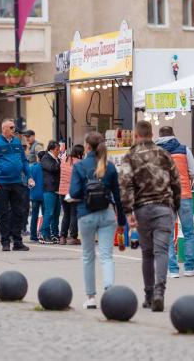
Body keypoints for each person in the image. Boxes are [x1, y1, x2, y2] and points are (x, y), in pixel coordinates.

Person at [119, 121, 181, 312]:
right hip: (164, 208)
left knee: (147, 253)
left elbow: (125, 184)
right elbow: (176, 181)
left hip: (142, 209)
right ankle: (159, 293)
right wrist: (175, 207)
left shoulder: (130, 156)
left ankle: (148, 294)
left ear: (136, 135)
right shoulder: (164, 154)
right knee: (162, 251)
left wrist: (128, 212)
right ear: (152, 134)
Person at [69, 132, 124, 309]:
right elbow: (118, 196)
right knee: (107, 255)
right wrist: (122, 221)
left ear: (87, 146)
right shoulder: (109, 167)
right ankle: (110, 292)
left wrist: (76, 195)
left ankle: (91, 298)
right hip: (107, 214)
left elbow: (75, 192)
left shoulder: (80, 166)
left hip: (86, 214)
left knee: (88, 257)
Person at [156, 126, 194, 278]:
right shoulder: (184, 149)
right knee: (189, 233)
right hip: (184, 195)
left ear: (159, 136)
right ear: (173, 135)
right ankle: (189, 268)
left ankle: (173, 270)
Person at [0, 118, 34, 252]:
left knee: (19, 212)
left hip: (17, 182)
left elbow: (23, 160)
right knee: (3, 213)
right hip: (2, 183)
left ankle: (17, 242)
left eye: (14, 127)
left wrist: (29, 177)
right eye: (11, 127)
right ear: (4, 129)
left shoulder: (17, 142)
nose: (14, 129)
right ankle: (5, 242)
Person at [59, 145, 84, 245]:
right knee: (74, 214)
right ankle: (72, 237)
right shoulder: (79, 163)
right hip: (72, 192)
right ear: (79, 153)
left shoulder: (64, 160)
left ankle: (62, 237)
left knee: (66, 214)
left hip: (62, 192)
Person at [39, 141, 61, 244]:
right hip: (49, 189)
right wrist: (60, 162)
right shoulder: (46, 158)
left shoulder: (56, 159)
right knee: (49, 212)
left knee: (56, 213)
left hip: (57, 189)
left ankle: (55, 234)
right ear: (51, 149)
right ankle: (44, 234)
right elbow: (53, 168)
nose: (59, 151)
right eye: (57, 150)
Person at [28, 151, 45, 242]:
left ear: (38, 158)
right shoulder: (45, 167)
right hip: (44, 194)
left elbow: (29, 180)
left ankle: (33, 235)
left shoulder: (32, 168)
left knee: (34, 215)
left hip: (34, 194)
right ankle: (43, 233)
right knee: (45, 214)